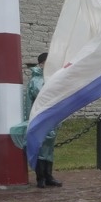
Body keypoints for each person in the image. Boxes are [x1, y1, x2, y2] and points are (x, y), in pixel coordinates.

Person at [24, 52, 61, 188]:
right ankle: (40, 177)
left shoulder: (52, 79)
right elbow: (35, 99)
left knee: (49, 149)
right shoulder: (36, 81)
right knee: (40, 147)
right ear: (41, 64)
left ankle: (48, 175)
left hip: (51, 119)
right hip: (39, 118)